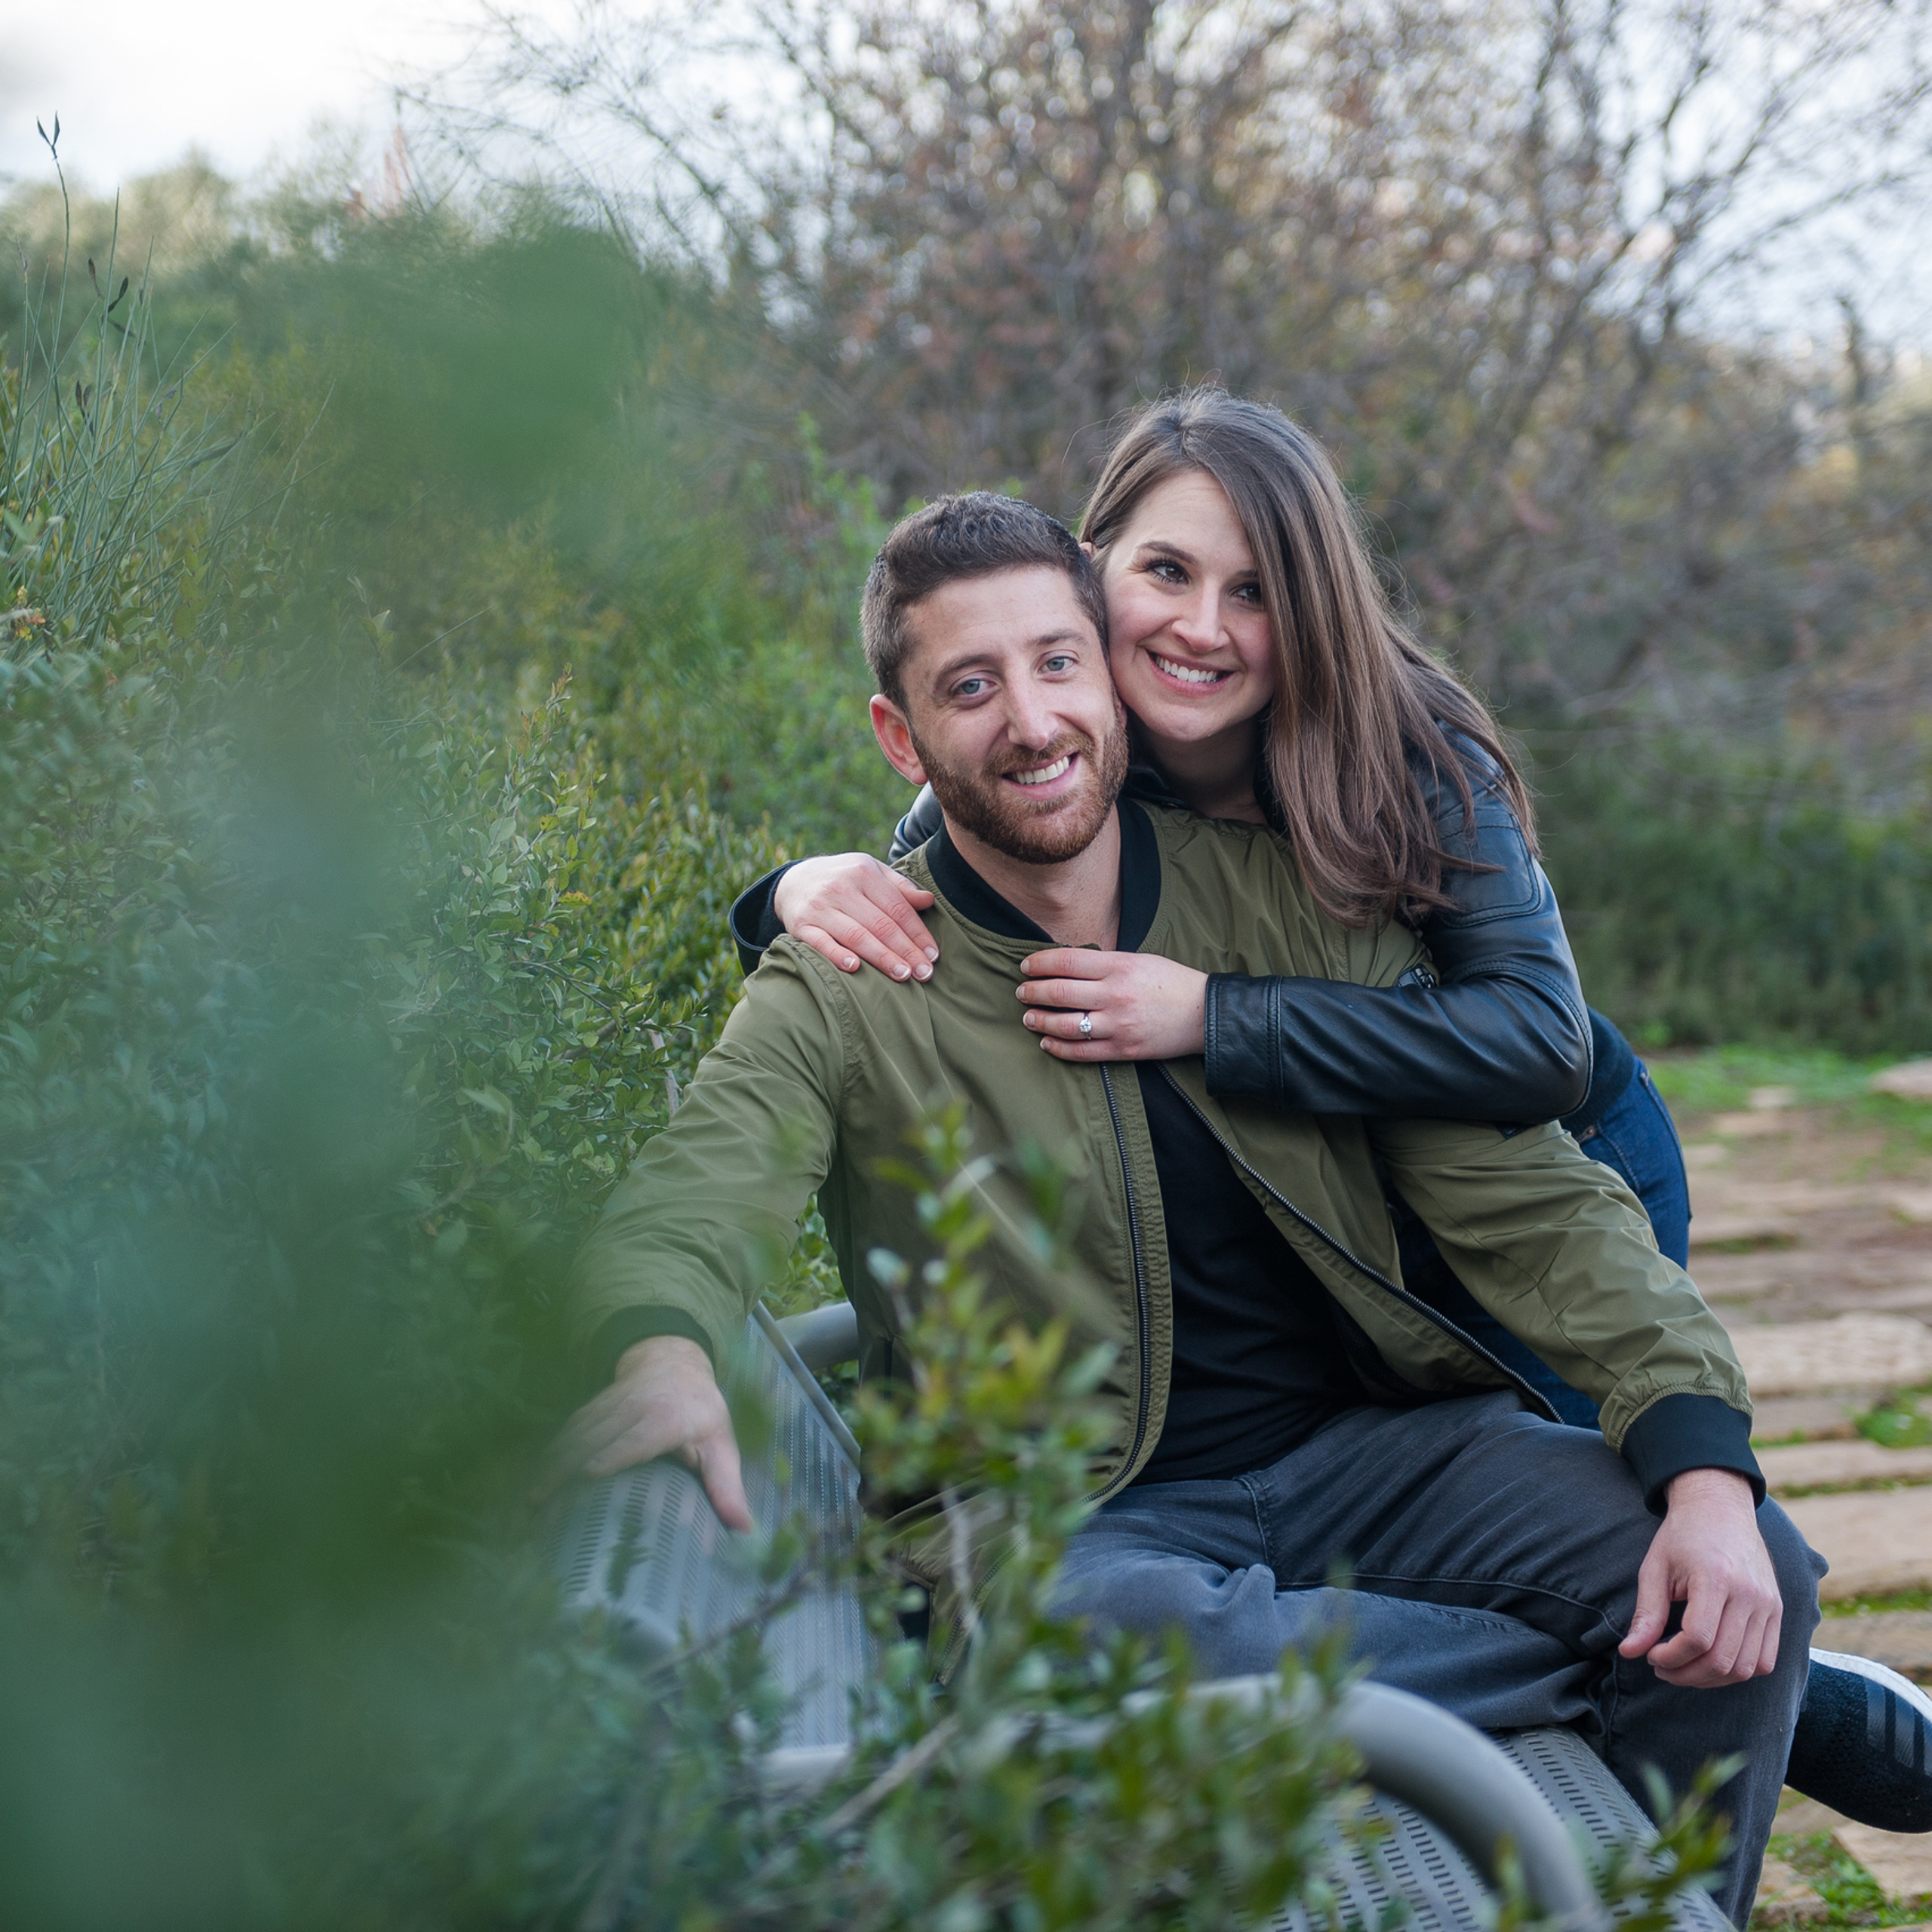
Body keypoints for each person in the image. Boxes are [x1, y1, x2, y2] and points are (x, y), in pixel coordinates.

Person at [562, 492, 1822, 1926]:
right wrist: (658, 1340)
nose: (1031, 721)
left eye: (1056, 664)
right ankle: (1554, 1670)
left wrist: (1705, 1462)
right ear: (902, 740)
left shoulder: (1289, 908)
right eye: (970, 688)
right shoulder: (855, 980)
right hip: (1075, 1521)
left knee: (1743, 1562)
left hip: (1359, 1461)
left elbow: (1537, 1208)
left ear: (1109, 673)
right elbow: (696, 1180)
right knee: (1113, 1642)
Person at [729, 389, 1682, 1434]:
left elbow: (1544, 1044)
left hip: (1541, 1171)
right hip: (1328, 1210)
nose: (1201, 627)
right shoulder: (1059, 744)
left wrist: (1215, 1015)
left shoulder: (1411, 753)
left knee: (1588, 1505)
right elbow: (922, 926)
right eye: (1167, 572)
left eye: (1255, 593)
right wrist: (787, 894)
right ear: (1094, 567)